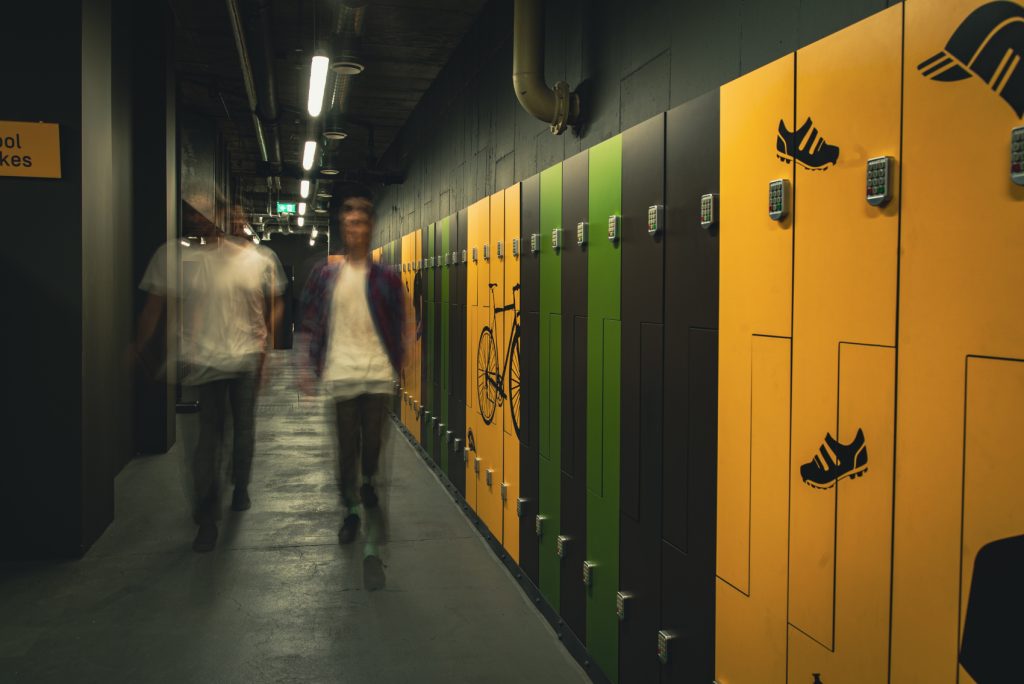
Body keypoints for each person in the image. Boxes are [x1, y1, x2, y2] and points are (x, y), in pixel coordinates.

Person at [136, 201, 285, 553]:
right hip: (201, 360)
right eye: (192, 216)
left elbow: (273, 300)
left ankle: (241, 485)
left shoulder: (258, 258)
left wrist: (266, 344)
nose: (198, 222)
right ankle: (206, 515)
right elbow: (156, 306)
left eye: (204, 216)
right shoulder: (176, 256)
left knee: (243, 428)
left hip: (245, 357)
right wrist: (141, 346)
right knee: (208, 436)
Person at [297, 189, 406, 586]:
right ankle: (351, 512)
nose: (354, 229)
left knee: (372, 450)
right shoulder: (326, 276)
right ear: (343, 229)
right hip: (341, 375)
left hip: (377, 375)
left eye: (360, 222)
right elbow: (309, 318)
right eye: (348, 223)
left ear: (371, 229)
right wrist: (306, 366)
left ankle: (367, 486)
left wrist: (403, 362)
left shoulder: (387, 278)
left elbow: (401, 322)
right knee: (346, 451)